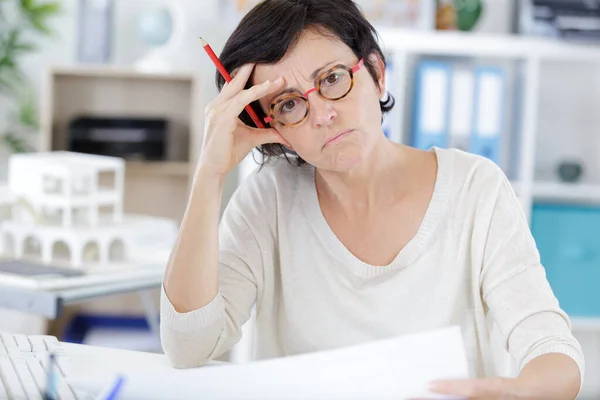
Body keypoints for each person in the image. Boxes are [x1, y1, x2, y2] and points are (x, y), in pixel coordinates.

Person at [160, 0, 584, 398]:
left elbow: (550, 347)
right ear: (273, 126)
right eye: (289, 104)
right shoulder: (268, 199)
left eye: (332, 79)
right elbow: (188, 348)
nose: (323, 113)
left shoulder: (476, 188)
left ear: (377, 73)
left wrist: (521, 390)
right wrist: (211, 173)